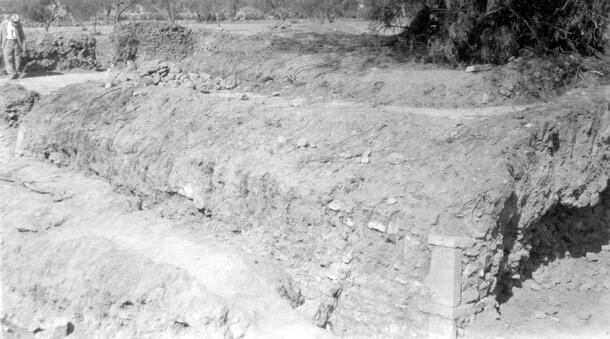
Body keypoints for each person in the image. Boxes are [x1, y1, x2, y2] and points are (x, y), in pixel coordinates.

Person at [0, 14, 26, 79]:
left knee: (17, 58)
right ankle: (11, 74)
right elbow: (0, 35)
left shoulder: (19, 25)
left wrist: (24, 45)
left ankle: (18, 73)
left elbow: (22, 35)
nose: (15, 24)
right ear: (10, 20)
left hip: (16, 42)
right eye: (14, 23)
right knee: (8, 58)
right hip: (7, 42)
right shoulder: (4, 25)